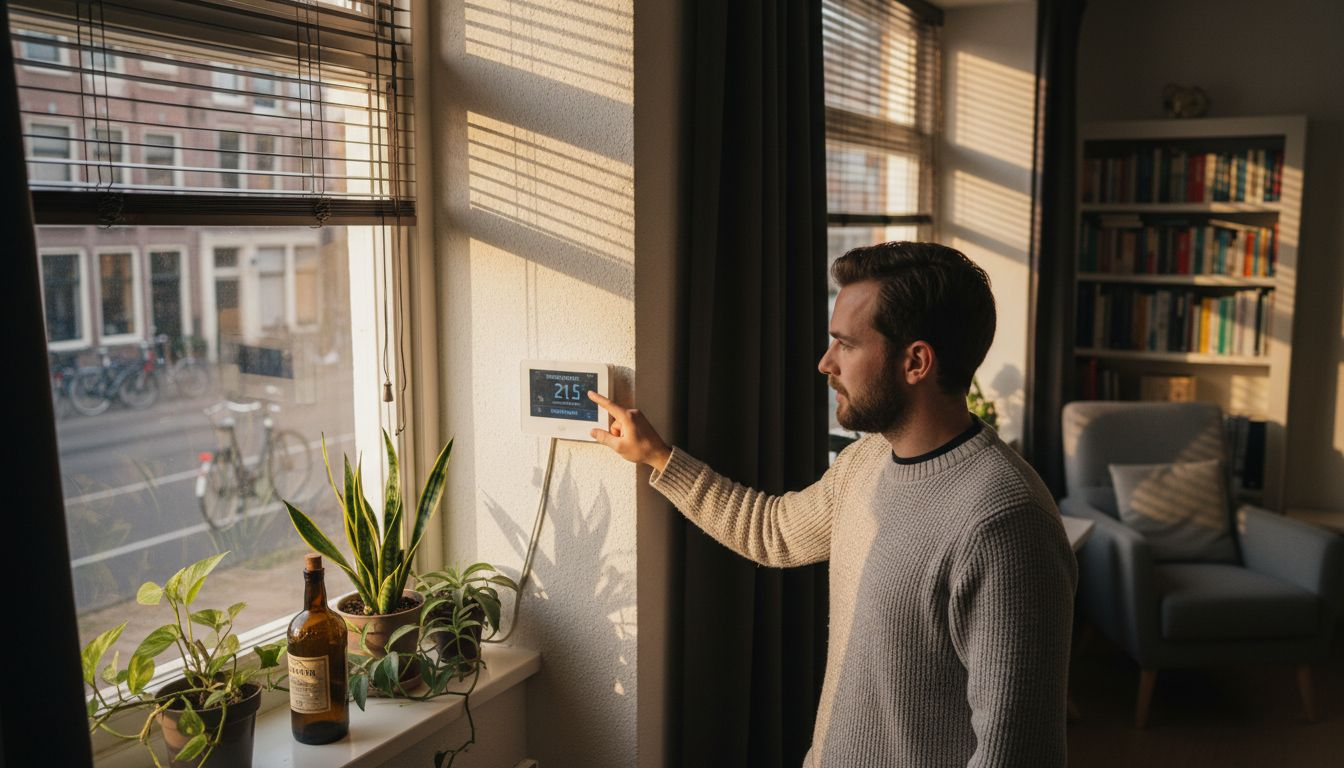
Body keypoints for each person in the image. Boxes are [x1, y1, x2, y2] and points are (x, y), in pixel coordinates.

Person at [588, 241, 1078, 767]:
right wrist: (659, 458)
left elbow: (1018, 754)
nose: (825, 363)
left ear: (916, 361)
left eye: (845, 344)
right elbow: (771, 531)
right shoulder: (867, 460)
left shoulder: (1005, 522)